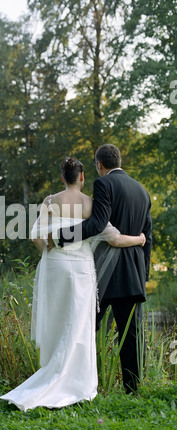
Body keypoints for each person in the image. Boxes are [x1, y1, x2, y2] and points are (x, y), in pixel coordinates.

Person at [0, 156, 146, 411]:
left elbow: (36, 236)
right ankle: (76, 384)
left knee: (58, 322)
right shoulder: (91, 204)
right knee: (79, 323)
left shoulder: (50, 201)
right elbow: (114, 239)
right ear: (82, 177)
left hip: (56, 265)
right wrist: (141, 239)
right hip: (80, 268)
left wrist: (50, 253)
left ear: (62, 177)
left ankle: (53, 372)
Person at [57, 144, 152, 394]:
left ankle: (78, 384)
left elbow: (98, 224)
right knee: (131, 335)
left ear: (99, 165)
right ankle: (133, 391)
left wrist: (61, 236)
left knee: (86, 327)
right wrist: (144, 275)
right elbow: (147, 237)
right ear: (118, 160)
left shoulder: (104, 185)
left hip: (105, 273)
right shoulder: (142, 191)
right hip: (133, 275)